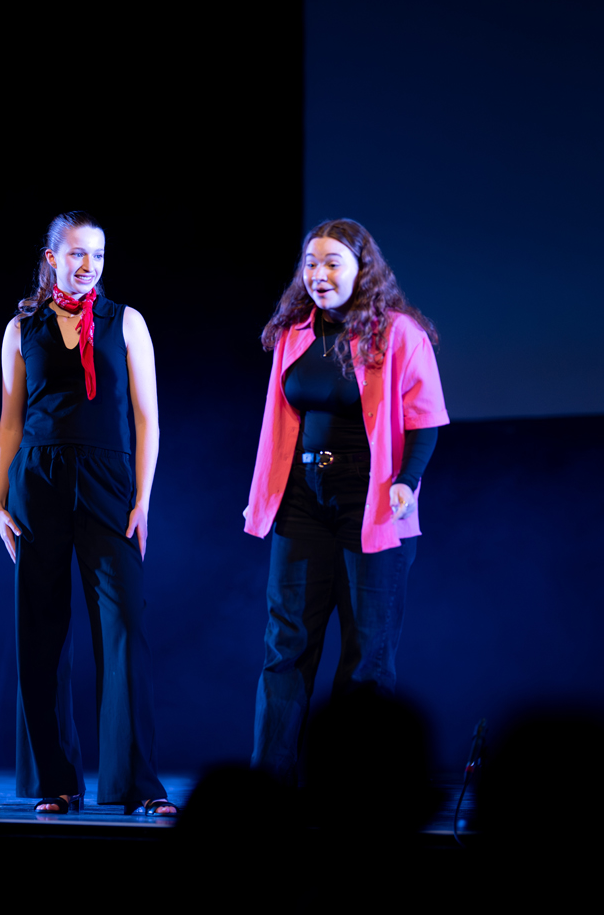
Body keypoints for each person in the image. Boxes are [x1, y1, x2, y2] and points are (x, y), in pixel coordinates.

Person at [243, 218, 448, 785]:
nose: (319, 274)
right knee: (285, 647)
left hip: (371, 499)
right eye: (311, 264)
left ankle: (351, 789)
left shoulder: (398, 332)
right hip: (302, 498)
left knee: (367, 654)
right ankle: (268, 787)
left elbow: (425, 419)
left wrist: (406, 481)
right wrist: (267, 494)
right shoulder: (295, 334)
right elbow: (279, 425)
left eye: (333, 263)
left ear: (363, 270)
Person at [0, 211, 177, 815]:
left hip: (108, 481)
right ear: (52, 258)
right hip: (39, 479)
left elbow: (147, 418)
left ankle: (137, 784)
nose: (88, 265)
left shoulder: (127, 322)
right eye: (76, 253)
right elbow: (9, 422)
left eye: (96, 254)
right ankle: (56, 780)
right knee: (40, 631)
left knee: (123, 629)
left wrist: (143, 498)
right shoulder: (23, 328)